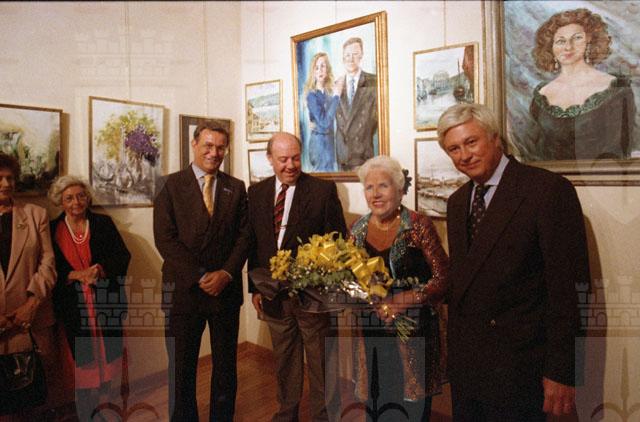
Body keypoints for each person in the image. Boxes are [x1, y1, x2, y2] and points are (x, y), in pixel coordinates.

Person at [437, 103, 590, 421]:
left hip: (521, 368)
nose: (464, 155)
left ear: (495, 138)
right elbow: (465, 286)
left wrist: (563, 371)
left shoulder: (547, 190)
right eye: (454, 149)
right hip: (468, 369)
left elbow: (570, 291)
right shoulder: (457, 202)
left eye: (471, 142)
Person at [247, 132, 347, 421]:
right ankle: (287, 412)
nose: (290, 165)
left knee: (321, 362)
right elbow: (253, 242)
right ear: (270, 159)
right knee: (285, 359)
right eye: (283, 159)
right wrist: (255, 287)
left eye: (295, 158)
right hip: (273, 295)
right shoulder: (256, 192)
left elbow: (337, 242)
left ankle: (324, 416)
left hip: (313, 296)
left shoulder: (322, 191)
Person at [154, 123, 250, 421]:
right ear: (194, 144)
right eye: (208, 145)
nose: (214, 153)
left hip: (225, 291)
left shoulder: (236, 187)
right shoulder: (169, 185)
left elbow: (244, 236)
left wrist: (226, 273)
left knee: (225, 368)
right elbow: (165, 239)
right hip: (184, 293)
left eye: (220, 147)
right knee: (181, 369)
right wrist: (200, 276)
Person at [348, 156, 449, 421]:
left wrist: (407, 299)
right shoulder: (356, 229)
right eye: (369, 187)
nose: (375, 194)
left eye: (383, 186)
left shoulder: (417, 225)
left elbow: (443, 278)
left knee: (411, 407)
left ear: (400, 189)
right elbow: (348, 278)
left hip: (413, 331)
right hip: (371, 329)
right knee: (376, 401)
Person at [47, 175, 131, 420]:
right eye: (69, 198)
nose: (76, 202)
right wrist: (74, 274)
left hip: (104, 303)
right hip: (74, 308)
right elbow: (47, 267)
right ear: (60, 201)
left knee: (107, 360)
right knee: (82, 363)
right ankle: (86, 412)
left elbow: (122, 256)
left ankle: (101, 408)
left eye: (81, 196)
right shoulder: (52, 229)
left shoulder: (102, 223)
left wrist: (100, 270)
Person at [522, 8, 639, 160]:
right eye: (560, 41)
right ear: (551, 48)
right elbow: (532, 153)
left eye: (577, 38)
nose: (568, 47)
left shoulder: (616, 88)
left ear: (590, 41)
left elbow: (618, 150)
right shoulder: (541, 95)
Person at [0, 153, 57, 417]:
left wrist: (31, 304)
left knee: (32, 399)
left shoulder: (36, 214)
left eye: (10, 178)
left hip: (31, 321)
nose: (6, 184)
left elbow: (47, 262)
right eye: (0, 178)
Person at [336, 37, 378, 171]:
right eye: (347, 55)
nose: (351, 59)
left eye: (355, 54)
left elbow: (376, 120)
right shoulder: (336, 85)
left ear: (361, 55)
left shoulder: (374, 81)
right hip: (342, 158)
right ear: (343, 58)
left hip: (363, 155)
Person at [304, 52, 343, 172]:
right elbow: (324, 122)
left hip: (329, 141)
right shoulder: (312, 95)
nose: (320, 70)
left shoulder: (329, 92)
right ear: (313, 72)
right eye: (316, 68)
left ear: (328, 69)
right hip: (319, 143)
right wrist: (337, 96)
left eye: (323, 66)